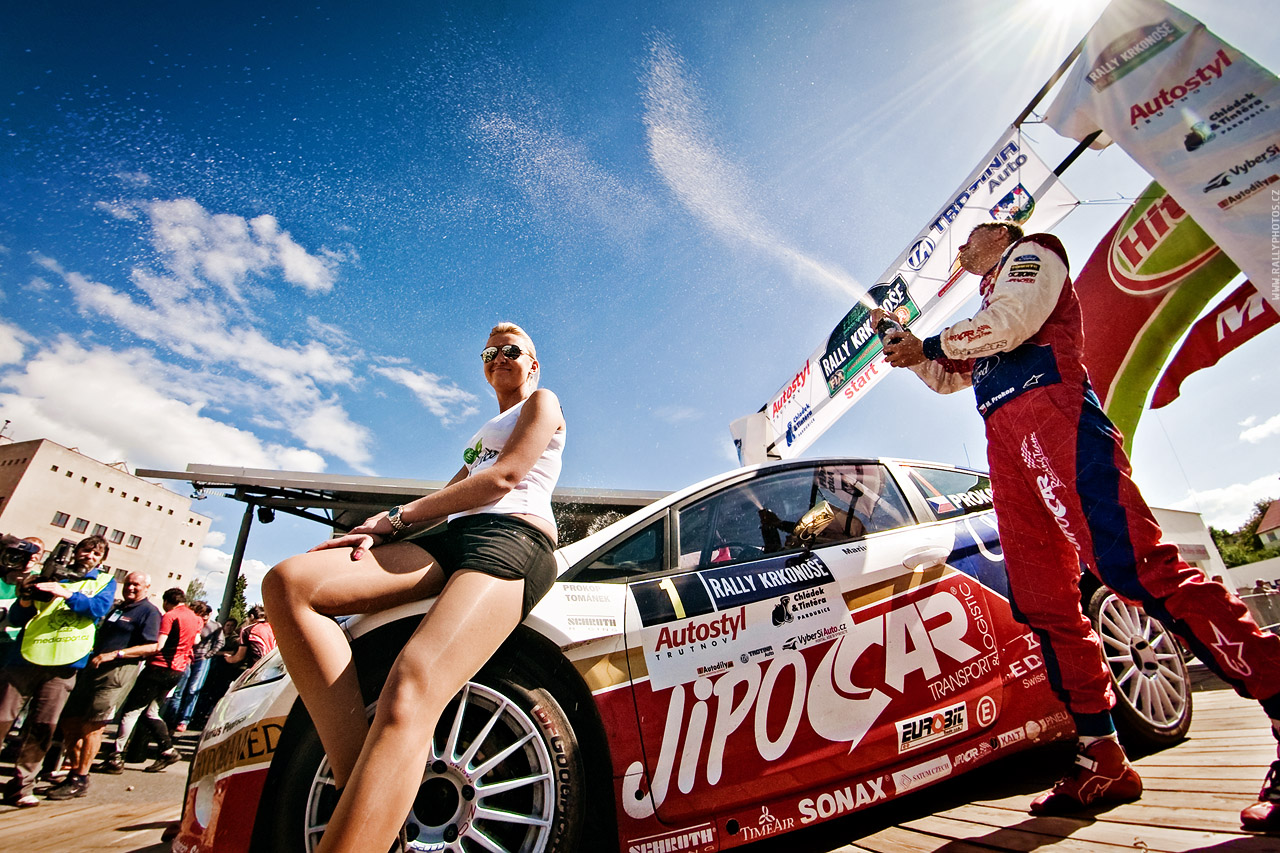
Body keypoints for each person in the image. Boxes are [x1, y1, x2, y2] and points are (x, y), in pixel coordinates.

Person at [873, 221, 1280, 827]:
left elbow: (1009, 325)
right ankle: (1102, 757)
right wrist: (907, 348)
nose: (959, 249)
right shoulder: (985, 304)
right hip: (1007, 447)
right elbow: (945, 376)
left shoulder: (1032, 254)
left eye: (969, 239)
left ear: (1001, 235)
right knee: (1042, 602)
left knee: (1134, 567)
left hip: (1058, 422)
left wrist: (928, 345)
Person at [263, 321, 565, 853]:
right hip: (453, 536)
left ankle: (364, 822)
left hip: (513, 538)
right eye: (489, 351)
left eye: (511, 350)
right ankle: (367, 792)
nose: (498, 357)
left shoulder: (543, 402)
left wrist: (395, 517)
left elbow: (503, 479)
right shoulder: (484, 433)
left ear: (533, 363)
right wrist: (378, 533)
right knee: (290, 584)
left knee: (410, 685)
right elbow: (456, 492)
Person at [0, 535, 115, 807]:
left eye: (96, 554)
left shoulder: (102, 582)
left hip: (65, 663)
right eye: (86, 550)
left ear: (102, 560)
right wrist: (27, 597)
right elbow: (17, 617)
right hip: (26, 657)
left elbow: (99, 609)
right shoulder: (47, 574)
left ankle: (22, 785)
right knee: (2, 719)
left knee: (42, 727)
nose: (90, 556)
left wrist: (69, 594)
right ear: (77, 552)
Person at [48, 571, 160, 799]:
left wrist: (116, 655)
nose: (130, 588)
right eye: (128, 584)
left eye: (136, 585)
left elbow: (152, 647)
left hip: (117, 672)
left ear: (146, 587)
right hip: (91, 669)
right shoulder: (118, 608)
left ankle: (80, 777)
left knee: (94, 725)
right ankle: (74, 768)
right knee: (70, 721)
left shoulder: (149, 612)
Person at [102, 587, 203, 774]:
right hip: (178, 670)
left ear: (167, 601)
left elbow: (159, 645)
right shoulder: (195, 618)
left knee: (132, 711)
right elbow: (196, 640)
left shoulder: (170, 616)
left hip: (159, 667)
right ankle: (167, 750)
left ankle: (116, 756)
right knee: (152, 711)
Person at [163, 601, 223, 733]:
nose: (204, 618)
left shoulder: (215, 626)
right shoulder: (194, 622)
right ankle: (172, 718)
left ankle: (184, 719)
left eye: (207, 615)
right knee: (179, 690)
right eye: (202, 615)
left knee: (193, 689)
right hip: (187, 657)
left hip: (202, 658)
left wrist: (209, 654)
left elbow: (220, 641)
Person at [220, 605, 274, 672]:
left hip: (256, 667)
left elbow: (240, 656)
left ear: (251, 616)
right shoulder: (272, 627)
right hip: (274, 664)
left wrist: (229, 659)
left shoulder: (247, 630)